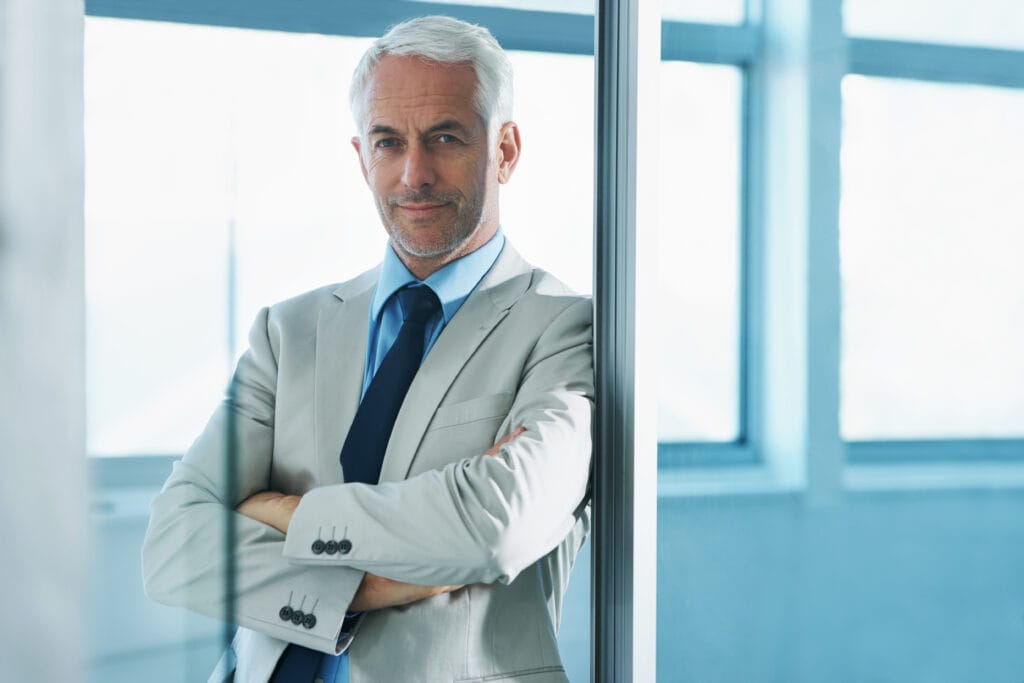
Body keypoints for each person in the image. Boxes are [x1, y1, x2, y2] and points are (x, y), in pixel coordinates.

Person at [142, 15, 593, 683]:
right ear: (361, 157)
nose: (415, 174)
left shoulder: (563, 329)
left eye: (445, 137)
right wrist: (389, 579)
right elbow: (174, 546)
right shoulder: (287, 333)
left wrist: (287, 514)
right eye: (388, 142)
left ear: (504, 149)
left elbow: (494, 527)